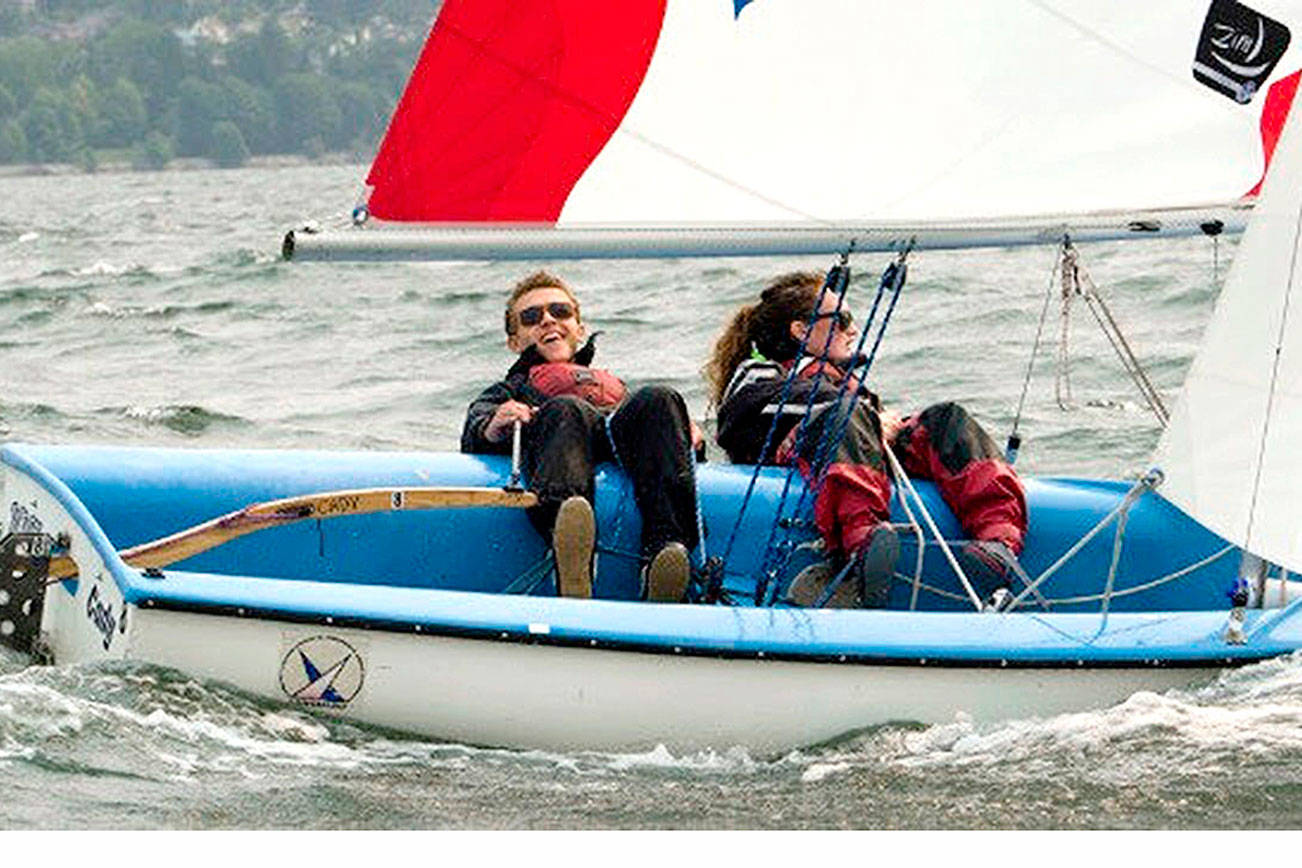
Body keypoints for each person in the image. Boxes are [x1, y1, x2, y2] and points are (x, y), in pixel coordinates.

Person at [705, 271, 1027, 609]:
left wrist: (872, 418)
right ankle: (862, 546)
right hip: (801, 457)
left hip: (854, 445)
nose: (853, 330)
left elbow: (862, 417)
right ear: (801, 330)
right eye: (842, 320)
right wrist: (862, 415)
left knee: (947, 420)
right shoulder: (760, 374)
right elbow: (745, 414)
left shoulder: (843, 385)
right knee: (846, 416)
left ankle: (998, 539)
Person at [461, 271, 701, 602]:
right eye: (531, 317)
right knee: (567, 408)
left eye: (560, 311)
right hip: (561, 443)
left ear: (579, 328)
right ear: (514, 342)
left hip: (615, 434)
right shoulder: (511, 390)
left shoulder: (616, 388)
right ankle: (571, 553)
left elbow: (665, 443)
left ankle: (665, 554)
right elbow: (474, 430)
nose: (548, 320)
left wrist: (679, 429)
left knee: (660, 398)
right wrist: (493, 424)